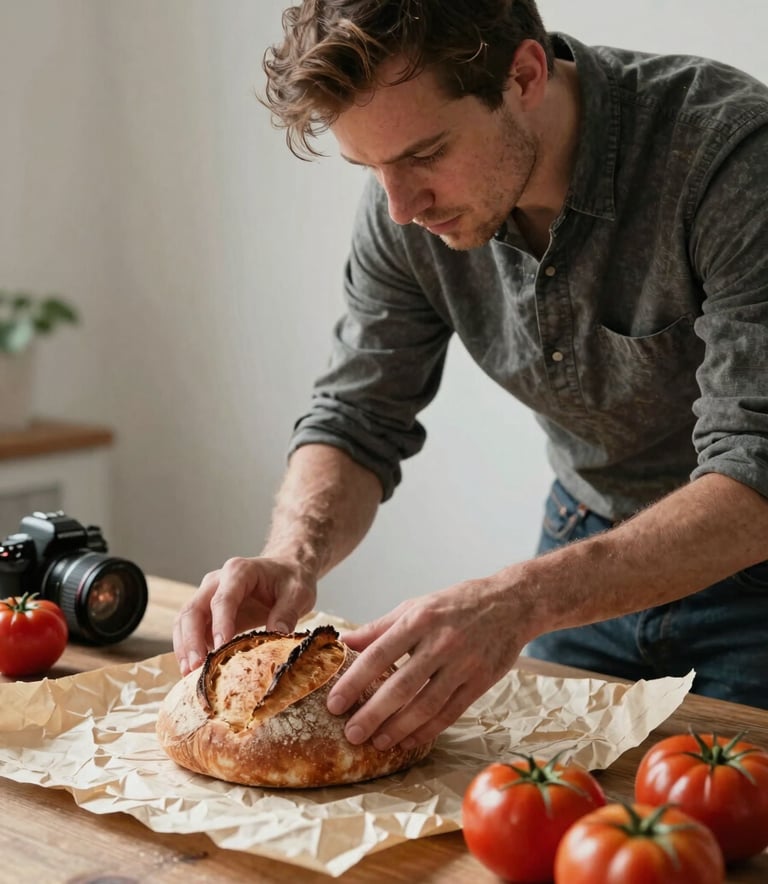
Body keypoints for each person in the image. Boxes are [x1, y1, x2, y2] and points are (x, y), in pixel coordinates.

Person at [173, 0, 768, 752]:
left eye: (424, 155)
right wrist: (294, 555)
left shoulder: (730, 155)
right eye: (371, 169)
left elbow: (758, 473)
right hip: (583, 551)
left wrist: (516, 601)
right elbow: (356, 418)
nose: (399, 208)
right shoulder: (405, 207)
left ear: (523, 75)